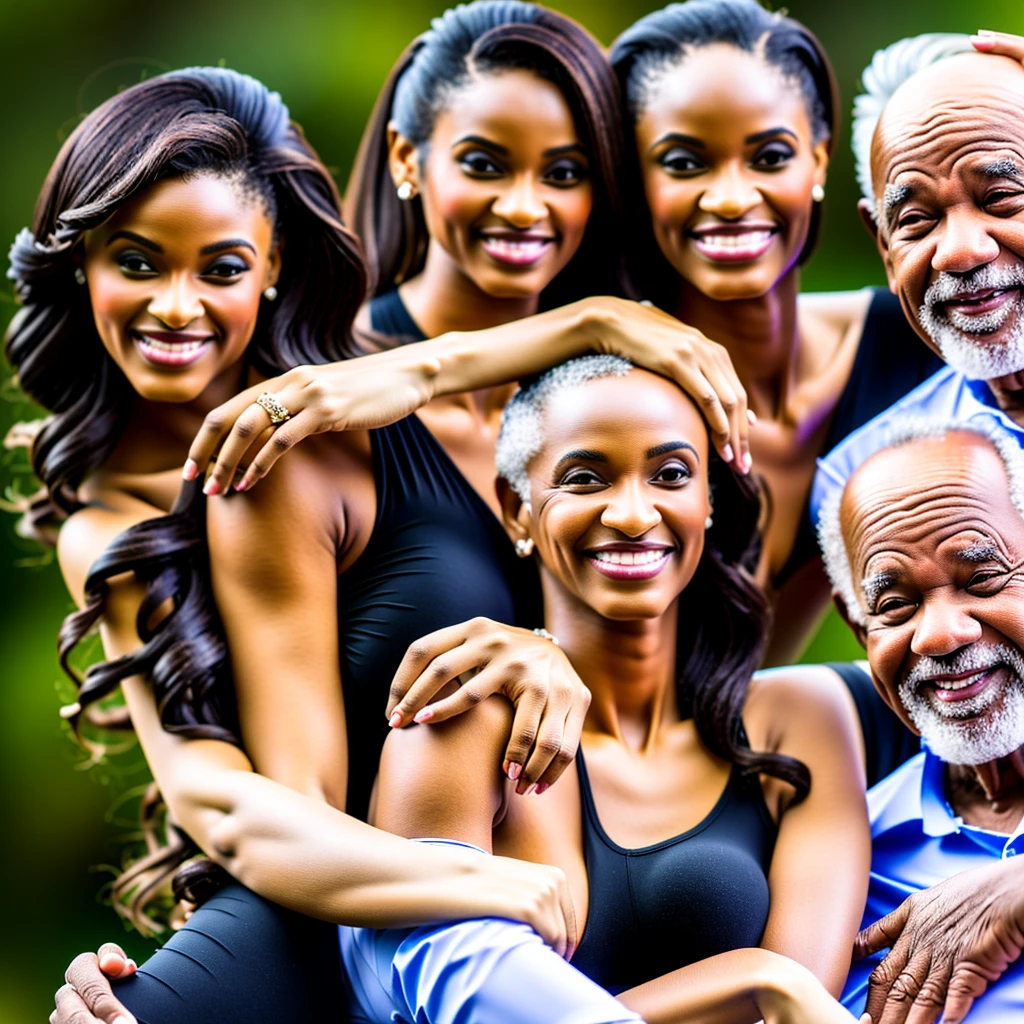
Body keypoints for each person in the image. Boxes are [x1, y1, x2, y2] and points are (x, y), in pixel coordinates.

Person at [33, 5, 752, 1022]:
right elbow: (244, 809)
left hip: (550, 894)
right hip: (375, 915)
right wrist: (469, 882)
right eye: (136, 261)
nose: (178, 307)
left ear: (272, 264)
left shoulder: (474, 401)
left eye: (221, 268)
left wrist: (581, 328)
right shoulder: (195, 500)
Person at [335, 356, 867, 1024]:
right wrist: (757, 980)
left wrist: (768, 983)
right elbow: (455, 993)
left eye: (671, 475)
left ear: (708, 501)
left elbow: (805, 1004)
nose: (632, 513)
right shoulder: (458, 713)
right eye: (585, 478)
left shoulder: (800, 718)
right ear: (516, 509)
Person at [818, 420, 1024, 1024]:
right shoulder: (848, 864)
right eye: (893, 606)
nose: (938, 636)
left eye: (981, 578)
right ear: (860, 631)